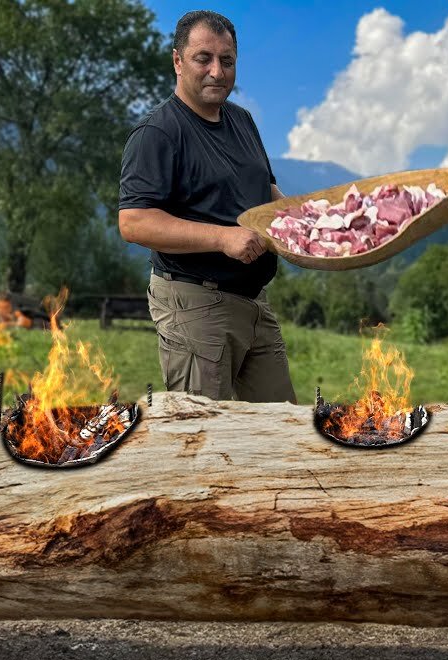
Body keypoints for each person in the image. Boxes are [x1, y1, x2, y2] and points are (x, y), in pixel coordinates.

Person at [118, 10, 296, 403]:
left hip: (254, 302)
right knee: (203, 438)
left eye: (227, 60)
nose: (217, 71)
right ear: (178, 61)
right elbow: (134, 222)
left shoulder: (242, 121)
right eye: (204, 58)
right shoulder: (157, 133)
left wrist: (308, 223)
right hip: (195, 304)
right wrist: (222, 238)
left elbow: (266, 190)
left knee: (282, 426)